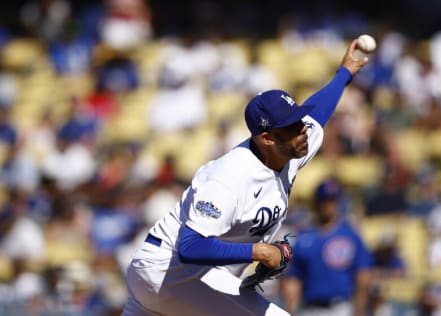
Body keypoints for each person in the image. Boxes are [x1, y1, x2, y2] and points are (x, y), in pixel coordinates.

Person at [121, 39, 369, 316]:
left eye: (300, 121)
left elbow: (318, 110)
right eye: (292, 126)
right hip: (169, 272)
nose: (303, 131)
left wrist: (344, 73)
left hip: (188, 276)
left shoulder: (292, 145)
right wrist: (260, 252)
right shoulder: (229, 177)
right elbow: (191, 246)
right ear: (267, 138)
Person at [281, 178, 373, 316]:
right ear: (316, 203)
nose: (327, 205)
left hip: (340, 308)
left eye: (331, 200)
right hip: (309, 308)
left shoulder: (350, 236)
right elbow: (294, 279)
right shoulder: (304, 237)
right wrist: (290, 310)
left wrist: (359, 310)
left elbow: (363, 276)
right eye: (323, 200)